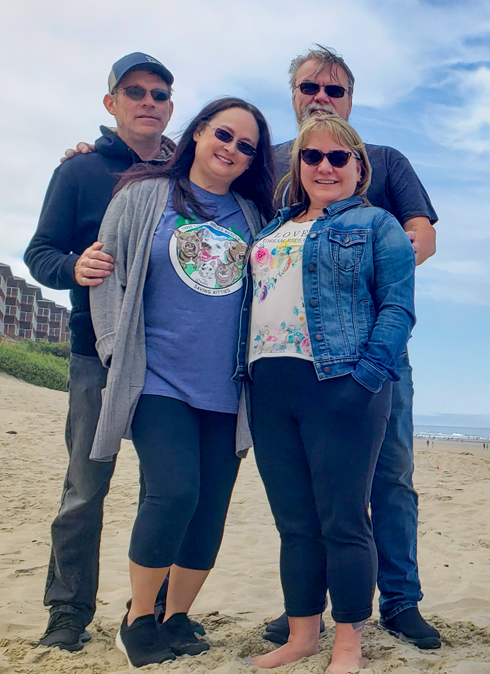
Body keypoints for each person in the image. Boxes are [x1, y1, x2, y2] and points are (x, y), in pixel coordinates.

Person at [257, 45, 441, 650]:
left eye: (335, 91)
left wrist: (367, 273)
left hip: (368, 352)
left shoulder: (383, 161)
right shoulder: (269, 163)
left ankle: (400, 600)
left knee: (389, 475)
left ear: (351, 101)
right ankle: (308, 609)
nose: (321, 98)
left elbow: (423, 235)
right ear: (292, 95)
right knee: (311, 491)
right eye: (310, 87)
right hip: (286, 362)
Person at [90, 97, 274, 666]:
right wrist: (113, 348)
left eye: (247, 146)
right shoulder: (142, 197)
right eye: (224, 134)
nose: (232, 150)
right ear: (196, 133)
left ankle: (177, 617)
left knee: (209, 508)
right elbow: (105, 271)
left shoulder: (252, 217)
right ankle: (137, 617)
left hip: (228, 390)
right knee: (174, 493)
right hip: (156, 380)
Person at [243, 114, 414, 673]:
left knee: (343, 521)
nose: (324, 166)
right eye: (312, 157)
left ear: (358, 168)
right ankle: (301, 637)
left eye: (338, 158)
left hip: (340, 381)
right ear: (298, 166)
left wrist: (364, 381)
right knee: (294, 523)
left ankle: (347, 645)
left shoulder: (378, 224)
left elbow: (397, 308)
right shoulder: (270, 228)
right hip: (269, 386)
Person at [23, 52, 176, 652]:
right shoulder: (79, 172)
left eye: (159, 94)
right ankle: (66, 613)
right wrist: (73, 267)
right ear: (111, 103)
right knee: (85, 489)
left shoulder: (183, 172)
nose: (147, 101)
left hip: (169, 359)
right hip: (99, 354)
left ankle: (156, 610)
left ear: (170, 107)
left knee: (167, 490)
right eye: (134, 91)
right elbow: (40, 254)